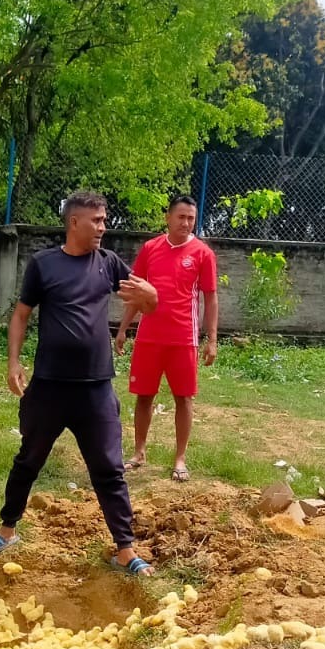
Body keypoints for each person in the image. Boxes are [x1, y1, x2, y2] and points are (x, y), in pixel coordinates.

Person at [0, 191, 160, 575]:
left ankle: (125, 549)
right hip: (49, 386)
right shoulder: (44, 264)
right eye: (96, 220)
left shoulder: (108, 263)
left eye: (104, 220)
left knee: (109, 469)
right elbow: (21, 315)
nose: (103, 227)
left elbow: (148, 301)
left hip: (95, 388)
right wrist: (13, 362)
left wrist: (151, 295)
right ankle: (7, 529)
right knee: (29, 460)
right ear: (74, 222)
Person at [114, 194, 218, 481]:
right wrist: (123, 328)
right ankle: (139, 452)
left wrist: (212, 340)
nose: (186, 223)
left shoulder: (202, 253)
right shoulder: (150, 249)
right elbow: (137, 292)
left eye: (191, 219)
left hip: (183, 338)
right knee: (143, 396)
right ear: (168, 218)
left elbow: (210, 298)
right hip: (149, 338)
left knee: (184, 398)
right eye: (181, 217)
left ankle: (180, 458)